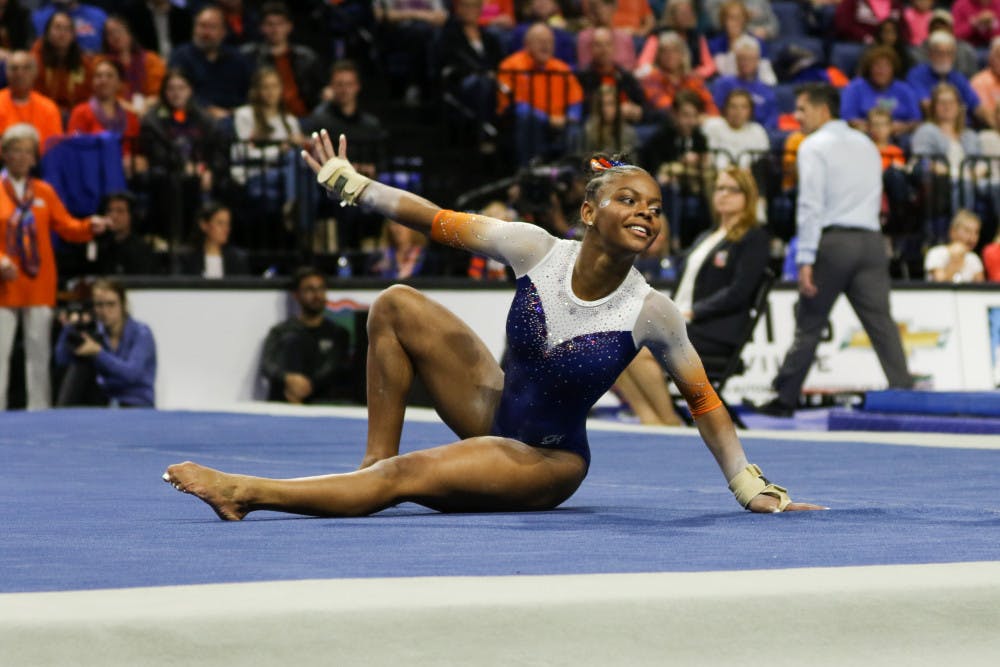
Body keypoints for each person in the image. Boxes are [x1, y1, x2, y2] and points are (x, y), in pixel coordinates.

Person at [162, 128, 825, 519]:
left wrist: (748, 486)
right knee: (394, 302)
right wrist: (352, 184)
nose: (647, 213)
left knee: (413, 475)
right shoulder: (534, 248)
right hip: (494, 406)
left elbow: (705, 402)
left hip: (545, 458)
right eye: (629, 198)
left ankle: (245, 491)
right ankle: (371, 466)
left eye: (654, 207)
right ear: (591, 212)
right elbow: (435, 219)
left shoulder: (650, 311)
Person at [754, 84, 913, 417]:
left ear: (822, 109)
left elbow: (811, 204)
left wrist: (805, 257)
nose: (797, 117)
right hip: (871, 244)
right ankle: (905, 393)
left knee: (810, 323)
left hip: (834, 244)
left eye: (802, 109)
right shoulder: (868, 143)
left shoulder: (814, 146)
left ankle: (784, 398)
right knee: (882, 325)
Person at [0, 122, 108, 410]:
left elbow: (67, 226)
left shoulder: (45, 192)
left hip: (38, 284)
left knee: (39, 353)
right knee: (0, 353)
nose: (21, 157)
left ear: (35, 157)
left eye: (27, 151)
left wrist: (89, 226)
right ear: (4, 154)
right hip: (4, 285)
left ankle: (39, 414)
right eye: (15, 151)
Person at [53, 277, 156, 407]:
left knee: (89, 358)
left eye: (111, 304)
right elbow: (61, 360)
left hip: (136, 401)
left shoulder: (141, 333)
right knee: (81, 363)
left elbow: (131, 374)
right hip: (105, 402)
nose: (105, 311)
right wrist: (68, 329)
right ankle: (63, 416)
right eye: (99, 305)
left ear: (123, 304)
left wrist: (98, 352)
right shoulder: (94, 332)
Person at [259, 266, 354, 405]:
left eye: (321, 289)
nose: (317, 295)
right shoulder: (281, 331)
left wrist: (306, 385)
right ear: (296, 294)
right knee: (291, 340)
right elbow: (267, 364)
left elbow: (335, 367)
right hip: (284, 401)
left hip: (322, 402)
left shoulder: (338, 333)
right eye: (310, 289)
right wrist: (288, 379)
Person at [496, 22, 584, 165]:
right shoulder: (510, 66)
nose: (545, 45)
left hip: (558, 124)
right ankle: (526, 171)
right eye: (540, 41)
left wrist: (570, 117)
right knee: (526, 117)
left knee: (575, 129)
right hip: (523, 124)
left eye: (549, 42)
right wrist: (547, 119)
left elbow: (576, 100)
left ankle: (570, 176)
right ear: (527, 44)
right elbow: (514, 105)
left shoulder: (561, 68)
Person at [239, 2, 323, 118]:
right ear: (262, 28)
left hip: (305, 117)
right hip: (266, 118)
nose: (275, 29)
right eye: (270, 24)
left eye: (280, 24)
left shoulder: (307, 57)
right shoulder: (250, 57)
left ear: (289, 26)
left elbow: (320, 91)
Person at [167, 5, 251, 119]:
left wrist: (238, 112)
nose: (206, 32)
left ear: (223, 32)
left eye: (212, 27)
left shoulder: (238, 59)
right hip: (195, 117)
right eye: (202, 26)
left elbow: (249, 92)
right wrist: (209, 110)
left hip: (236, 117)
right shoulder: (181, 56)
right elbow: (176, 93)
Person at [839, 45, 922, 136]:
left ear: (893, 69)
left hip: (900, 136)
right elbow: (847, 118)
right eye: (877, 66)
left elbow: (916, 120)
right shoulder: (855, 88)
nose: (882, 71)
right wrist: (875, 128)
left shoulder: (905, 90)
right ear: (869, 68)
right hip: (864, 135)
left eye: (886, 66)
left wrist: (901, 127)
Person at [31, 9, 93, 115]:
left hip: (74, 115)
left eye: (67, 29)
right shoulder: (34, 59)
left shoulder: (83, 63)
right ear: (47, 32)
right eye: (57, 27)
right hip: (42, 112)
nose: (62, 33)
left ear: (73, 35)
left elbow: (87, 98)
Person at [100, 13, 166, 114]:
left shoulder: (151, 59)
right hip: (113, 111)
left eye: (119, 31)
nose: (116, 36)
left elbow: (160, 93)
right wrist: (130, 108)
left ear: (130, 33)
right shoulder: (101, 63)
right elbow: (102, 94)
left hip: (149, 110)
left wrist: (145, 105)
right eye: (110, 33)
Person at [0, 50, 63, 152]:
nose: (19, 73)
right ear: (6, 73)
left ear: (35, 72)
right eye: (14, 68)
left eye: (26, 68)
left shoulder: (49, 107)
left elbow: (54, 148)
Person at [177, 201, 250, 278]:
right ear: (204, 225)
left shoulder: (238, 259)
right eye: (220, 223)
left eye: (227, 224)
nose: (226, 229)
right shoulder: (187, 258)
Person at [924, 209, 985, 282]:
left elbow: (981, 290)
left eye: (976, 232)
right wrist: (956, 260)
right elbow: (940, 285)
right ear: (952, 232)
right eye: (967, 231)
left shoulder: (974, 259)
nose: (972, 237)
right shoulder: (936, 253)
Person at [366, 218, 436, 279]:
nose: (398, 229)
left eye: (404, 224)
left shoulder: (428, 259)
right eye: (394, 224)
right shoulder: (377, 258)